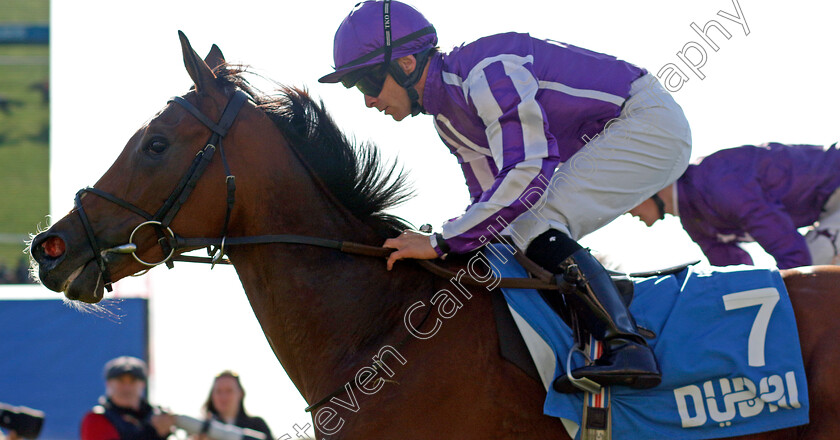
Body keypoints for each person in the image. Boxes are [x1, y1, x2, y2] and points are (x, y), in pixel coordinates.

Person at [319, 0, 692, 391]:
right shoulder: (447, 121)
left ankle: (628, 347)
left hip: (646, 121)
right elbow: (491, 210)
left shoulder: (488, 73)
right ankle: (601, 318)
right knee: (516, 233)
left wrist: (439, 241)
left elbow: (528, 175)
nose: (367, 100)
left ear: (406, 63)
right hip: (614, 132)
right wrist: (452, 249)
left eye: (366, 83)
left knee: (534, 220)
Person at [628, 142, 840, 269]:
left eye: (627, 200)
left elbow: (788, 247)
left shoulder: (715, 183)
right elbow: (738, 278)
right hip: (828, 205)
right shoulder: (693, 221)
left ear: (650, 186)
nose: (626, 212)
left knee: (813, 263)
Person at [80, 356, 175, 440]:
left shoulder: (154, 415)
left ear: (143, 384)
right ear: (108, 384)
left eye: (133, 381)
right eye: (120, 381)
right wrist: (153, 433)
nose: (127, 387)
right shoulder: (97, 418)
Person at [197, 371, 272, 440]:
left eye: (229, 391)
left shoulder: (257, 425)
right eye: (218, 391)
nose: (223, 397)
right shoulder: (200, 426)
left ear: (241, 394)